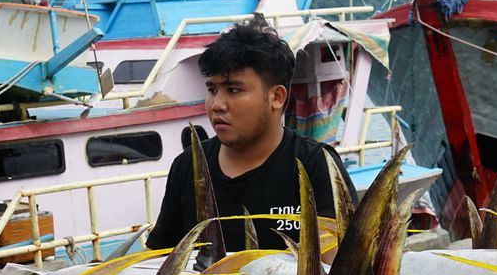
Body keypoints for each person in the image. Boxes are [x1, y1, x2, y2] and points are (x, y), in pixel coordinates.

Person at [146, 15, 355, 252]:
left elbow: (336, 268)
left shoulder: (317, 166)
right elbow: (157, 257)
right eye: (212, 90)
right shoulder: (188, 166)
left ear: (277, 97)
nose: (217, 104)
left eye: (234, 90)